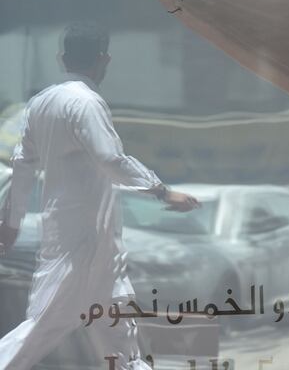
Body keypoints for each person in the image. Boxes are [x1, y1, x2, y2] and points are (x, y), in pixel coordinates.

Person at [0, 23, 199, 370]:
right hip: (84, 243)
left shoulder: (40, 104)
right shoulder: (86, 103)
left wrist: (13, 221)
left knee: (119, 338)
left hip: (84, 240)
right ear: (104, 59)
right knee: (41, 329)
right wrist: (163, 192)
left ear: (63, 59)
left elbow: (22, 165)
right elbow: (111, 160)